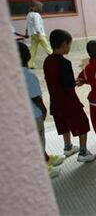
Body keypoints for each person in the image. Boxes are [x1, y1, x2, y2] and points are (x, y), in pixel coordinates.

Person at [43, 29, 96, 163]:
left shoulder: (47, 61)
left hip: (55, 101)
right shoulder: (65, 63)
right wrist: (75, 82)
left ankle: (68, 147)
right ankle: (83, 152)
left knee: (63, 124)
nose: (69, 47)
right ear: (63, 44)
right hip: (68, 101)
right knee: (82, 122)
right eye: (69, 44)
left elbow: (54, 80)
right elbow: (68, 85)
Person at [18, 42, 65, 178]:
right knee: (38, 139)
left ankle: (45, 158)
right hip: (33, 113)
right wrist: (43, 109)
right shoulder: (28, 74)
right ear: (26, 56)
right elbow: (35, 97)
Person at [26, 1, 52, 69]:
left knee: (32, 50)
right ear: (35, 7)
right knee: (47, 47)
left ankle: (29, 64)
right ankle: (56, 61)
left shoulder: (29, 14)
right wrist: (39, 34)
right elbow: (37, 25)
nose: (40, 8)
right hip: (39, 34)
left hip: (33, 35)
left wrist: (26, 32)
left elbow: (27, 25)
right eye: (40, 7)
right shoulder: (36, 15)